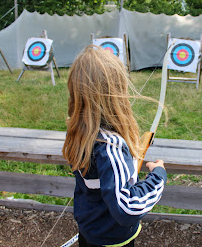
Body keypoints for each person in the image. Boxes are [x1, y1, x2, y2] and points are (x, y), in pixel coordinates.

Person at [62, 45, 167, 247]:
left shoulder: (80, 133)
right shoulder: (110, 147)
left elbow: (102, 180)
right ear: (117, 92)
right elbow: (126, 209)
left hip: (90, 230)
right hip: (112, 240)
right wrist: (158, 176)